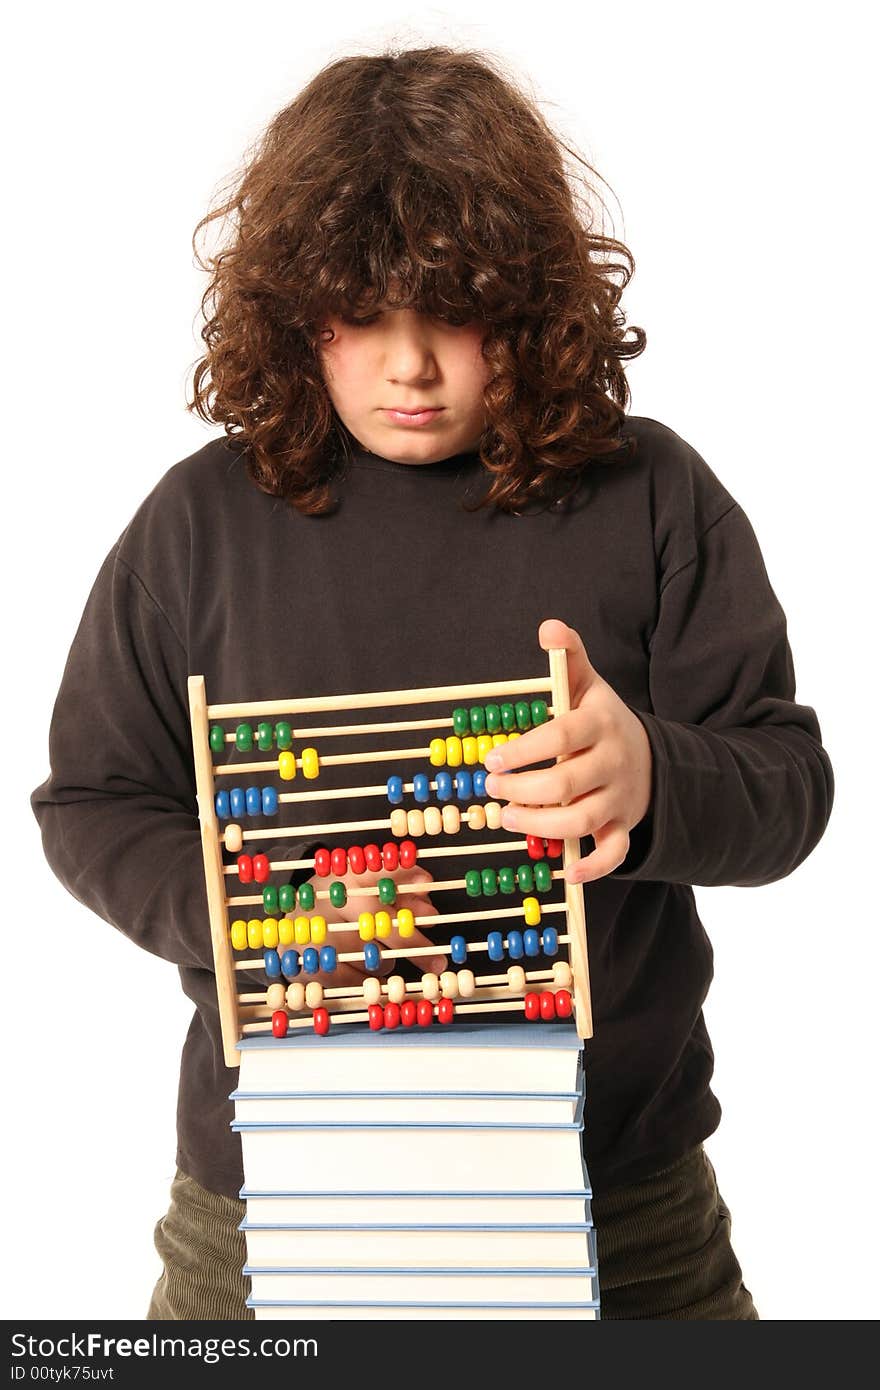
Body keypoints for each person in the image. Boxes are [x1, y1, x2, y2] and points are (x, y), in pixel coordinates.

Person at [31, 44, 833, 1321]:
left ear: (528, 304)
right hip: (267, 1190)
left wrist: (652, 776)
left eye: (453, 309)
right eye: (360, 313)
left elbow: (790, 785)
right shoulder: (199, 526)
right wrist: (253, 919)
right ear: (298, 318)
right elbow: (91, 801)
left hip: (617, 1187)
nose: (409, 365)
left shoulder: (652, 494)